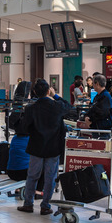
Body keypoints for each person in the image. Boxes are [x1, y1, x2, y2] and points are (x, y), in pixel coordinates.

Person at [16, 79, 67, 215]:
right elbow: (69, 106)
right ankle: (45, 205)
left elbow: (25, 127)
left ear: (34, 92)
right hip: (53, 148)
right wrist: (55, 95)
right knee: (50, 178)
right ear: (48, 90)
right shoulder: (57, 106)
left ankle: (28, 204)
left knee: (32, 176)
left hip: (36, 147)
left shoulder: (31, 108)